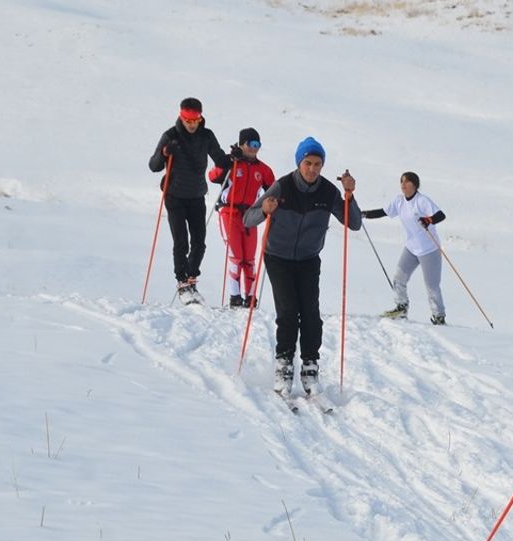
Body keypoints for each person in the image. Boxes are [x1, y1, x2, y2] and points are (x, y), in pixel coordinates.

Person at [243, 137, 361, 396]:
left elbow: (354, 223)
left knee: (310, 314)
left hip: (308, 259)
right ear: (299, 162)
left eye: (317, 164)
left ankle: (310, 365)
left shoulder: (328, 192)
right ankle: (284, 364)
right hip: (278, 257)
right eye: (307, 163)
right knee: (288, 311)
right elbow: (248, 220)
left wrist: (349, 196)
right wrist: (264, 209)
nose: (312, 169)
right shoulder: (282, 186)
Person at [148, 97, 230, 303]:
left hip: (196, 195)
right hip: (174, 195)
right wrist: (165, 153)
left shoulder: (206, 135)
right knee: (181, 242)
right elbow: (154, 165)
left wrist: (233, 157)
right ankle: (182, 283)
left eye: (195, 120)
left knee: (199, 243)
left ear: (200, 118)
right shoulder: (170, 135)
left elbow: (220, 158)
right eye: (188, 120)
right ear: (181, 117)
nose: (192, 124)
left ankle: (191, 280)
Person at [363, 172, 448, 325]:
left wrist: (429, 219)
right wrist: (362, 214)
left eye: (407, 182)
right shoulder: (399, 201)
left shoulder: (422, 201)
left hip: (429, 250)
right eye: (401, 182)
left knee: (432, 286)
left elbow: (441, 215)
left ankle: (439, 316)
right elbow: (383, 212)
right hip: (411, 249)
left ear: (415, 185)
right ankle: (401, 307)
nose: (403, 185)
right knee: (399, 278)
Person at [209, 128, 276, 308]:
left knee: (249, 258)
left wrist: (274, 205)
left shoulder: (263, 169)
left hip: (250, 215)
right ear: (241, 144)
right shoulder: (232, 164)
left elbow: (274, 190)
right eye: (251, 144)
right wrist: (229, 160)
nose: (255, 149)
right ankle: (235, 296)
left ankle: (251, 297)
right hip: (229, 212)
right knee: (236, 256)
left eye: (258, 145)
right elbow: (213, 176)